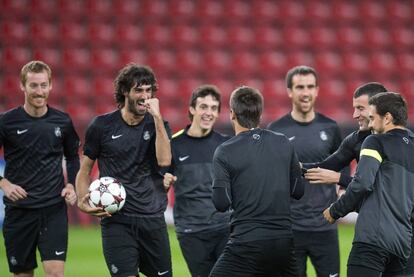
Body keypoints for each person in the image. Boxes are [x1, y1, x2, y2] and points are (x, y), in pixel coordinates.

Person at [76, 64, 173, 277]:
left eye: (148, 91)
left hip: (152, 219)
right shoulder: (102, 126)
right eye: (138, 90)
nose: (145, 96)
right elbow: (85, 170)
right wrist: (83, 199)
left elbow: (164, 160)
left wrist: (156, 118)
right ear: (124, 91)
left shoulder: (159, 125)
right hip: (117, 220)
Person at [209, 86, 304, 276]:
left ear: (232, 114)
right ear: (260, 114)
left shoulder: (225, 151)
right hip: (283, 243)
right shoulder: (283, 142)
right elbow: (298, 191)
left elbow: (221, 203)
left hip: (245, 243)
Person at [0, 60, 80, 277]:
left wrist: (71, 185)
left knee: (55, 273)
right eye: (34, 85)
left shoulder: (62, 122)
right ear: (22, 86)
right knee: (23, 274)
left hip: (52, 210)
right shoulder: (6, 122)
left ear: (51, 86)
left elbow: (72, 158)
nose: (39, 91)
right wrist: (3, 183)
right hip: (19, 211)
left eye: (43, 85)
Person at [323, 92, 414, 276]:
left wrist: (335, 210)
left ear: (387, 118)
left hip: (372, 241)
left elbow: (362, 183)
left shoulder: (374, 141)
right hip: (404, 246)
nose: (370, 124)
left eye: (372, 118)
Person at [267, 65, 344, 277]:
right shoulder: (276, 130)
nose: (305, 92)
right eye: (300, 87)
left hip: (325, 226)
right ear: (290, 91)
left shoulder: (330, 127)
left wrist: (343, 190)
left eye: (310, 86)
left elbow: (343, 162)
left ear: (317, 90)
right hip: (290, 228)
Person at [163, 85, 230, 277]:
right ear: (192, 109)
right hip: (191, 230)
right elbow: (158, 181)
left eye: (213, 108)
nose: (208, 112)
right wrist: (164, 181)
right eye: (203, 107)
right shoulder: (173, 145)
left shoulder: (225, 145)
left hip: (225, 227)